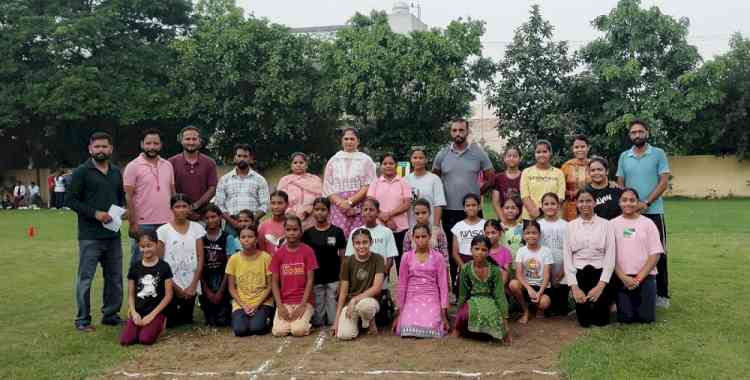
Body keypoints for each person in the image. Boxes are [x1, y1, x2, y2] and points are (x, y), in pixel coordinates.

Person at [66, 132, 126, 331]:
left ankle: (110, 315)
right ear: (90, 149)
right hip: (90, 236)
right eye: (97, 147)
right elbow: (70, 200)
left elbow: (120, 199)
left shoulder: (116, 172)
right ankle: (82, 320)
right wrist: (95, 213)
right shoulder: (81, 172)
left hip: (112, 235)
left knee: (115, 278)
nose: (101, 150)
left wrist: (122, 213)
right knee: (86, 279)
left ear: (110, 149)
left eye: (104, 147)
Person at [616, 119, 671, 308]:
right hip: (630, 213)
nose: (637, 135)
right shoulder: (624, 156)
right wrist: (629, 204)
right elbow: (620, 183)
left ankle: (662, 295)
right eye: (633, 132)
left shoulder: (658, 154)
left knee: (658, 253)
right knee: (627, 252)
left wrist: (646, 202)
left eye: (640, 131)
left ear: (647, 132)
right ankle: (629, 290)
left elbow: (663, 182)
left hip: (653, 211)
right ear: (630, 135)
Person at [433, 119, 494, 274]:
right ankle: (455, 284)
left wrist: (477, 193)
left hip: (473, 211)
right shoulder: (442, 154)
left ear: (467, 131)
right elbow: (434, 179)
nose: (458, 134)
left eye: (461, 130)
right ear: (451, 132)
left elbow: (491, 177)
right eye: (454, 130)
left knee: (479, 247)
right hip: (449, 211)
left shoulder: (478, 153)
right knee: (453, 249)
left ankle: (479, 282)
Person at [564, 190, 616, 328]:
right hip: (579, 273)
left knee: (601, 321)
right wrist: (574, 287)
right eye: (581, 201)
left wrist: (600, 285)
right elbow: (567, 259)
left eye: (588, 201)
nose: (585, 204)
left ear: (594, 202)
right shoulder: (570, 226)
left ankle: (606, 301)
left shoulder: (606, 225)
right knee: (585, 322)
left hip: (601, 274)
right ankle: (580, 304)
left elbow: (610, 257)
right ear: (576, 203)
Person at [124, 128, 175, 267]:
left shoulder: (168, 165)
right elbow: (128, 196)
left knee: (165, 263)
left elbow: (173, 193)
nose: (152, 147)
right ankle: (135, 289)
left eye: (155, 143)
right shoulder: (133, 166)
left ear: (161, 145)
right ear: (142, 144)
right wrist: (133, 223)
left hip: (167, 222)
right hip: (143, 224)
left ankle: (163, 290)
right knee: (139, 263)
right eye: (148, 143)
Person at [612, 188, 663, 324]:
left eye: (632, 200)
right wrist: (623, 277)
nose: (628, 203)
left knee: (646, 319)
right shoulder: (612, 224)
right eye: (624, 200)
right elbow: (609, 255)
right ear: (619, 202)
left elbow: (656, 253)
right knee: (626, 318)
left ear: (638, 203)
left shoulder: (648, 223)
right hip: (622, 278)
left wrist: (639, 278)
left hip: (645, 277)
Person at [393, 224, 450, 338]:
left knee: (432, 325)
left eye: (424, 236)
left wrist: (444, 314)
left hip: (431, 297)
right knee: (407, 326)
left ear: (429, 237)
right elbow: (402, 284)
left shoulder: (438, 257)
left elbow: (443, 285)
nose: (420, 240)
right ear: (413, 238)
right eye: (417, 237)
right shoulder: (406, 257)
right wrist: (400, 312)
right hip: (412, 297)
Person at [157, 194, 205, 327]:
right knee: (172, 322)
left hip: (191, 281)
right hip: (171, 282)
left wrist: (193, 285)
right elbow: (160, 262)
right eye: (177, 206)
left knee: (186, 319)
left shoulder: (197, 228)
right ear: (171, 209)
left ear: (190, 208)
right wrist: (176, 288)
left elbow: (200, 257)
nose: (181, 210)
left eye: (184, 206)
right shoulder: (163, 230)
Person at [452, 235, 510, 342]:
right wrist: (457, 322)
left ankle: (484, 334)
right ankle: (465, 330)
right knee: (465, 314)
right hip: (472, 300)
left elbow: (499, 295)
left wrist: (505, 321)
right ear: (471, 250)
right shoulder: (466, 268)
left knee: (492, 315)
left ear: (488, 252)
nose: (480, 252)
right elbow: (463, 294)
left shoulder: (495, 270)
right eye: (476, 249)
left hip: (490, 300)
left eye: (484, 250)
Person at [120, 231, 173, 345]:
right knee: (126, 340)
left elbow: (168, 296)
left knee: (145, 339)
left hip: (156, 312)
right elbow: (130, 294)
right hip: (139, 311)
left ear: (156, 244)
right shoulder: (135, 267)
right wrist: (134, 313)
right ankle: (138, 326)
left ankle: (160, 323)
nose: (146, 249)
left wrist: (152, 315)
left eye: (149, 245)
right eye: (142, 246)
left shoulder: (164, 267)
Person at [332, 228, 386, 340]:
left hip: (370, 300)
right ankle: (358, 323)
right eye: (357, 243)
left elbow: (377, 288)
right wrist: (336, 319)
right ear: (353, 245)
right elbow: (343, 292)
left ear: (371, 242)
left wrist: (354, 300)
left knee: (366, 306)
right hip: (351, 304)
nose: (361, 246)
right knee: (344, 335)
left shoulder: (378, 259)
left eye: (365, 242)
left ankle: (370, 322)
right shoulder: (347, 262)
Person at [322, 128, 377, 237]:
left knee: (359, 238)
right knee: (337, 239)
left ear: (358, 141)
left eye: (352, 139)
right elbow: (327, 185)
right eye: (346, 139)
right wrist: (341, 203)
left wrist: (350, 202)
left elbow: (369, 184)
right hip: (338, 207)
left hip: (360, 204)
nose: (349, 142)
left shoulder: (366, 160)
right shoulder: (333, 160)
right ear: (341, 141)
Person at [270, 216, 319, 337]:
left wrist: (303, 305)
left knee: (298, 331)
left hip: (304, 301)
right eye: (288, 229)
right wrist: (280, 306)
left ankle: (307, 322)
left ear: (301, 232)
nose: (291, 233)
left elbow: (310, 280)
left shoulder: (308, 251)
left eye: (295, 229)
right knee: (279, 332)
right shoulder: (278, 254)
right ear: (284, 231)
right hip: (285, 302)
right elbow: (274, 283)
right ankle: (292, 322)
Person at [302, 197, 347, 327]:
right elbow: (305, 259)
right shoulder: (308, 234)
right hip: (316, 279)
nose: (320, 213)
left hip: (334, 278)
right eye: (317, 209)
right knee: (318, 321)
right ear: (313, 212)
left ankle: (332, 314)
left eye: (323, 209)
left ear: (329, 212)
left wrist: (342, 278)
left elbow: (343, 257)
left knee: (333, 320)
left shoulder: (337, 232)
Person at [226, 225, 275, 336]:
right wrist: (243, 305)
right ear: (239, 239)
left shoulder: (266, 258)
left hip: (263, 302)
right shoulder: (234, 259)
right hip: (241, 303)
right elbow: (231, 287)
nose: (246, 239)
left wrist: (257, 304)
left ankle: (268, 320)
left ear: (256, 239)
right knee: (240, 331)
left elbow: (270, 286)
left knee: (256, 328)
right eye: (243, 237)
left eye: (250, 236)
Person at [368, 153, 411, 271]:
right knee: (381, 261)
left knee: (401, 262)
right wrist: (385, 219)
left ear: (396, 165)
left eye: (391, 163)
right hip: (379, 227)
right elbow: (371, 203)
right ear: (381, 166)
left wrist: (389, 215)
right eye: (385, 163)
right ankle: (381, 288)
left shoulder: (403, 182)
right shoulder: (375, 183)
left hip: (400, 228)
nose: (388, 166)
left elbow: (407, 203)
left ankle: (402, 288)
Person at [215, 143, 270, 232]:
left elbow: (265, 205)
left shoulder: (260, 180)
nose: (242, 159)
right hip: (231, 225)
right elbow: (219, 204)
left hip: (252, 224)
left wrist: (251, 221)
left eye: (245, 156)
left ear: (251, 159)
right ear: (234, 158)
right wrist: (232, 222)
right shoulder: (224, 179)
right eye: (239, 156)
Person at [200, 204, 239, 326]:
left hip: (223, 281)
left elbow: (230, 267)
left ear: (220, 217)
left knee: (223, 321)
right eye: (207, 218)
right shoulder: (200, 238)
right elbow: (198, 265)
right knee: (211, 321)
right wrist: (206, 290)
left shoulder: (228, 238)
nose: (210, 220)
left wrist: (221, 291)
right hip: (207, 282)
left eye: (213, 216)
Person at [168, 126, 218, 221]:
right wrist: (183, 208)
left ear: (200, 141)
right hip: (177, 215)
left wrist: (195, 206)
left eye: (194, 139)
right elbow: (169, 187)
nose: (191, 142)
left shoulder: (210, 163)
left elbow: (212, 188)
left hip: (203, 216)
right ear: (181, 140)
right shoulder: (171, 162)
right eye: (187, 139)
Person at [509, 221, 554, 324]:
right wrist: (529, 289)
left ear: (539, 234)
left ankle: (538, 308)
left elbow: (547, 275)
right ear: (523, 235)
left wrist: (540, 292)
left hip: (541, 287)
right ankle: (526, 311)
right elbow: (518, 274)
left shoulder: (546, 251)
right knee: (513, 284)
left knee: (544, 303)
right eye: (528, 233)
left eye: (534, 233)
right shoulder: (521, 251)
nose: (531, 236)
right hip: (526, 286)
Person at [344, 198, 398, 278]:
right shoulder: (355, 232)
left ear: (377, 213)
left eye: (371, 210)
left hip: (380, 278)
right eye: (365, 210)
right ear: (361, 213)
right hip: (360, 278)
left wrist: (383, 274)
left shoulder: (387, 232)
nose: (368, 212)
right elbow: (349, 257)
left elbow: (390, 258)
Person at [538, 192, 570, 316]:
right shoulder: (539, 225)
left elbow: (568, 250)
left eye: (553, 203)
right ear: (541, 206)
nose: (549, 206)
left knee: (561, 311)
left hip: (562, 269)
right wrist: (548, 272)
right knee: (547, 305)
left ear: (558, 206)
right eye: (546, 204)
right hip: (544, 271)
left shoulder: (566, 225)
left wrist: (562, 271)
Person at [520, 140, 565, 221]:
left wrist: (545, 212)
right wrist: (535, 213)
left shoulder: (559, 173)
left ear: (550, 153)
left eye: (545, 151)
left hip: (552, 217)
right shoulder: (526, 172)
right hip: (530, 218)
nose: (541, 154)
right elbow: (525, 196)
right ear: (534, 154)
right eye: (538, 152)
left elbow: (560, 197)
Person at [277, 152, 323, 231]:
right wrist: (289, 212)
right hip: (289, 219)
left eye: (301, 162)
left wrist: (309, 210)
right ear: (291, 165)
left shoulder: (315, 179)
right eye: (295, 163)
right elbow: (279, 199)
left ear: (306, 165)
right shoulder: (285, 180)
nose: (298, 165)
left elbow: (321, 198)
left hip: (311, 217)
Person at [405, 147, 446, 230]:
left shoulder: (434, 179)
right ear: (411, 160)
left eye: (421, 158)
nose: (418, 160)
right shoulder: (405, 180)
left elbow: (438, 204)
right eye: (415, 158)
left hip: (430, 226)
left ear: (426, 160)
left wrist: (436, 227)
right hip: (411, 227)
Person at [402, 199, 450, 266]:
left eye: (424, 212)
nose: (420, 216)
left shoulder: (438, 232)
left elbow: (444, 254)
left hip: (435, 268)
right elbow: (405, 255)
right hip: (415, 270)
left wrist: (445, 272)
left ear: (430, 213)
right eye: (417, 213)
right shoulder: (409, 233)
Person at [450, 194, 486, 272]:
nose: (471, 208)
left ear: (479, 207)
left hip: (482, 263)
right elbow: (454, 253)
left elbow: (489, 247)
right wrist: (464, 268)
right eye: (468, 205)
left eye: (474, 205)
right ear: (464, 208)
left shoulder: (485, 224)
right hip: (464, 262)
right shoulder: (458, 226)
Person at [560, 135, 591, 221]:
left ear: (588, 147)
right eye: (576, 147)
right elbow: (559, 186)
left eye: (582, 147)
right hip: (570, 208)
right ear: (572, 149)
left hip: (591, 206)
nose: (580, 149)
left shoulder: (593, 164)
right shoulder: (566, 166)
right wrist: (570, 193)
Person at [491, 146, 522, 221]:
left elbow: (527, 201)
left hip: (521, 221)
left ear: (520, 159)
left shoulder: (525, 176)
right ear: (504, 158)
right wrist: (503, 220)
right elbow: (496, 202)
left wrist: (519, 221)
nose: (511, 158)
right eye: (509, 156)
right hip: (503, 221)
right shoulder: (498, 178)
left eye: (515, 156)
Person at [258, 190, 289, 255]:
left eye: (280, 203)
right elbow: (262, 251)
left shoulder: (293, 224)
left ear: (287, 204)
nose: (276, 206)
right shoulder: (263, 226)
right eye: (273, 203)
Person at [484, 220, 513, 286]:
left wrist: (497, 290)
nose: (490, 236)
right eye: (487, 233)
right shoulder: (483, 250)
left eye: (493, 232)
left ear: (499, 233)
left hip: (500, 287)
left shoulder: (506, 252)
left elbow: (505, 274)